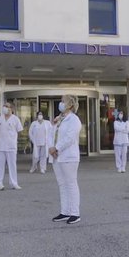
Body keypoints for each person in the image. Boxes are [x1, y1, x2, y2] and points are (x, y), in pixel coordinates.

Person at [49, 94, 82, 224]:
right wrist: (51, 148)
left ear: (70, 105)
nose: (61, 103)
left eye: (63, 101)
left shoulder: (74, 120)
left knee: (71, 183)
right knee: (62, 184)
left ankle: (75, 213)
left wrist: (56, 148)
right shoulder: (60, 119)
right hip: (57, 157)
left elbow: (69, 138)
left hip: (68, 156)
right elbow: (52, 134)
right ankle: (65, 211)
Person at [0, 101, 23, 190]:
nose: (5, 108)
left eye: (7, 106)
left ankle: (13, 183)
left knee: (12, 165)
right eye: (4, 106)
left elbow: (20, 131)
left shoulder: (15, 119)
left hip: (11, 145)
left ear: (11, 109)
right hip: (1, 146)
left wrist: (14, 140)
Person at [113, 109, 129, 173]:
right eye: (120, 113)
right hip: (117, 141)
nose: (121, 115)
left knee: (124, 155)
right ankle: (119, 167)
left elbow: (127, 130)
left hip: (125, 140)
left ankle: (123, 167)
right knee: (118, 155)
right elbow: (116, 128)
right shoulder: (115, 122)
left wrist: (122, 129)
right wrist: (123, 128)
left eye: (122, 113)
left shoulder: (127, 122)